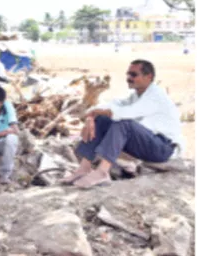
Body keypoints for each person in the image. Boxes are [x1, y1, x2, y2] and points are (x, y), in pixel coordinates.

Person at [61, 59, 185, 189]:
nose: (128, 78)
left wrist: (98, 112)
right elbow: (114, 104)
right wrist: (92, 115)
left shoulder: (156, 96)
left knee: (123, 123)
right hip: (148, 144)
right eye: (128, 74)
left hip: (163, 148)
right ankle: (84, 168)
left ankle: (102, 172)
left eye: (133, 75)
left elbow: (125, 113)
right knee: (102, 120)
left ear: (149, 77)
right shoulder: (136, 96)